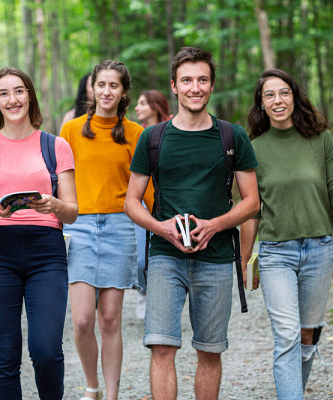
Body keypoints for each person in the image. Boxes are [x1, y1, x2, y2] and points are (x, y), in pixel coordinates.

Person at [124, 47, 260, 400]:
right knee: (162, 348)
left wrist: (215, 224)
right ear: (174, 86)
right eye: (187, 80)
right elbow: (131, 202)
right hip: (165, 258)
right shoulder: (153, 138)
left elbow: (252, 202)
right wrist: (162, 227)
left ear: (212, 86)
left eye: (202, 80)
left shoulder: (232, 137)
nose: (194, 87)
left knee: (210, 351)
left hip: (215, 260)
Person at [240, 69, 333, 400]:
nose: (277, 100)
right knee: (287, 336)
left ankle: (294, 388)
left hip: (319, 250)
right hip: (275, 254)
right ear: (261, 105)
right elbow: (251, 209)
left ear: (294, 96)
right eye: (269, 95)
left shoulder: (320, 138)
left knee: (308, 333)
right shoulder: (253, 149)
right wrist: (244, 261)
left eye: (283, 93)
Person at [0, 67, 78, 399]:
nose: (12, 99)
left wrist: (53, 205)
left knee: (46, 350)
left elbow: (72, 212)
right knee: (5, 356)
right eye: (3, 93)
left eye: (18, 91)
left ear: (29, 95)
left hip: (47, 252)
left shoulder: (55, 145)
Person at [60, 60, 151, 400]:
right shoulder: (70, 131)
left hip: (119, 228)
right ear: (92, 88)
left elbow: (147, 190)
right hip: (80, 227)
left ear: (124, 92)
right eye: (101, 84)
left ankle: (111, 394)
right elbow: (59, 184)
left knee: (110, 319)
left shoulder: (135, 134)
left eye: (114, 85)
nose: (107, 91)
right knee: (83, 320)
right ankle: (92, 387)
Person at [133, 89, 173, 319]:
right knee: (140, 258)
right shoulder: (137, 134)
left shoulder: (172, 129)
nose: (137, 108)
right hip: (143, 204)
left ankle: (165, 298)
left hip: (167, 201)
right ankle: (143, 291)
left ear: (155, 106)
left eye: (142, 103)